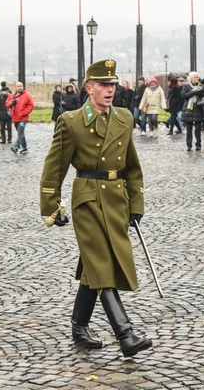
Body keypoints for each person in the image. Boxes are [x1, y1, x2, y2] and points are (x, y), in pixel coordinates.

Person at [40, 59, 152, 358]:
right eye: (103, 85)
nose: (109, 90)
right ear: (88, 88)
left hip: (117, 201)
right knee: (102, 264)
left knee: (95, 266)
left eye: (113, 85)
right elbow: (55, 168)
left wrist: (136, 202)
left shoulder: (125, 118)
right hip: (87, 199)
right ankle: (125, 334)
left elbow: (132, 166)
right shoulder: (71, 121)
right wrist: (52, 206)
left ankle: (79, 326)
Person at [7, 82, 34, 154]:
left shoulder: (27, 96)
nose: (20, 87)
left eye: (21, 86)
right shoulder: (12, 96)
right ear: (16, 87)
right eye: (18, 86)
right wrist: (10, 103)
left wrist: (23, 113)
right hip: (15, 118)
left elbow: (31, 106)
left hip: (23, 118)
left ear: (23, 87)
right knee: (21, 133)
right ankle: (24, 147)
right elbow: (7, 104)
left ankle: (16, 146)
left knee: (20, 132)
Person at [181, 72, 204, 151]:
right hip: (189, 110)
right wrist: (193, 91)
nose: (197, 78)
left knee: (198, 129)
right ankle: (189, 145)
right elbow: (184, 96)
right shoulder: (186, 86)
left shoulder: (201, 86)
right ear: (191, 79)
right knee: (189, 129)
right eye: (195, 77)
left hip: (198, 109)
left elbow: (203, 96)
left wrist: (199, 91)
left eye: (197, 77)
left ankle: (198, 144)